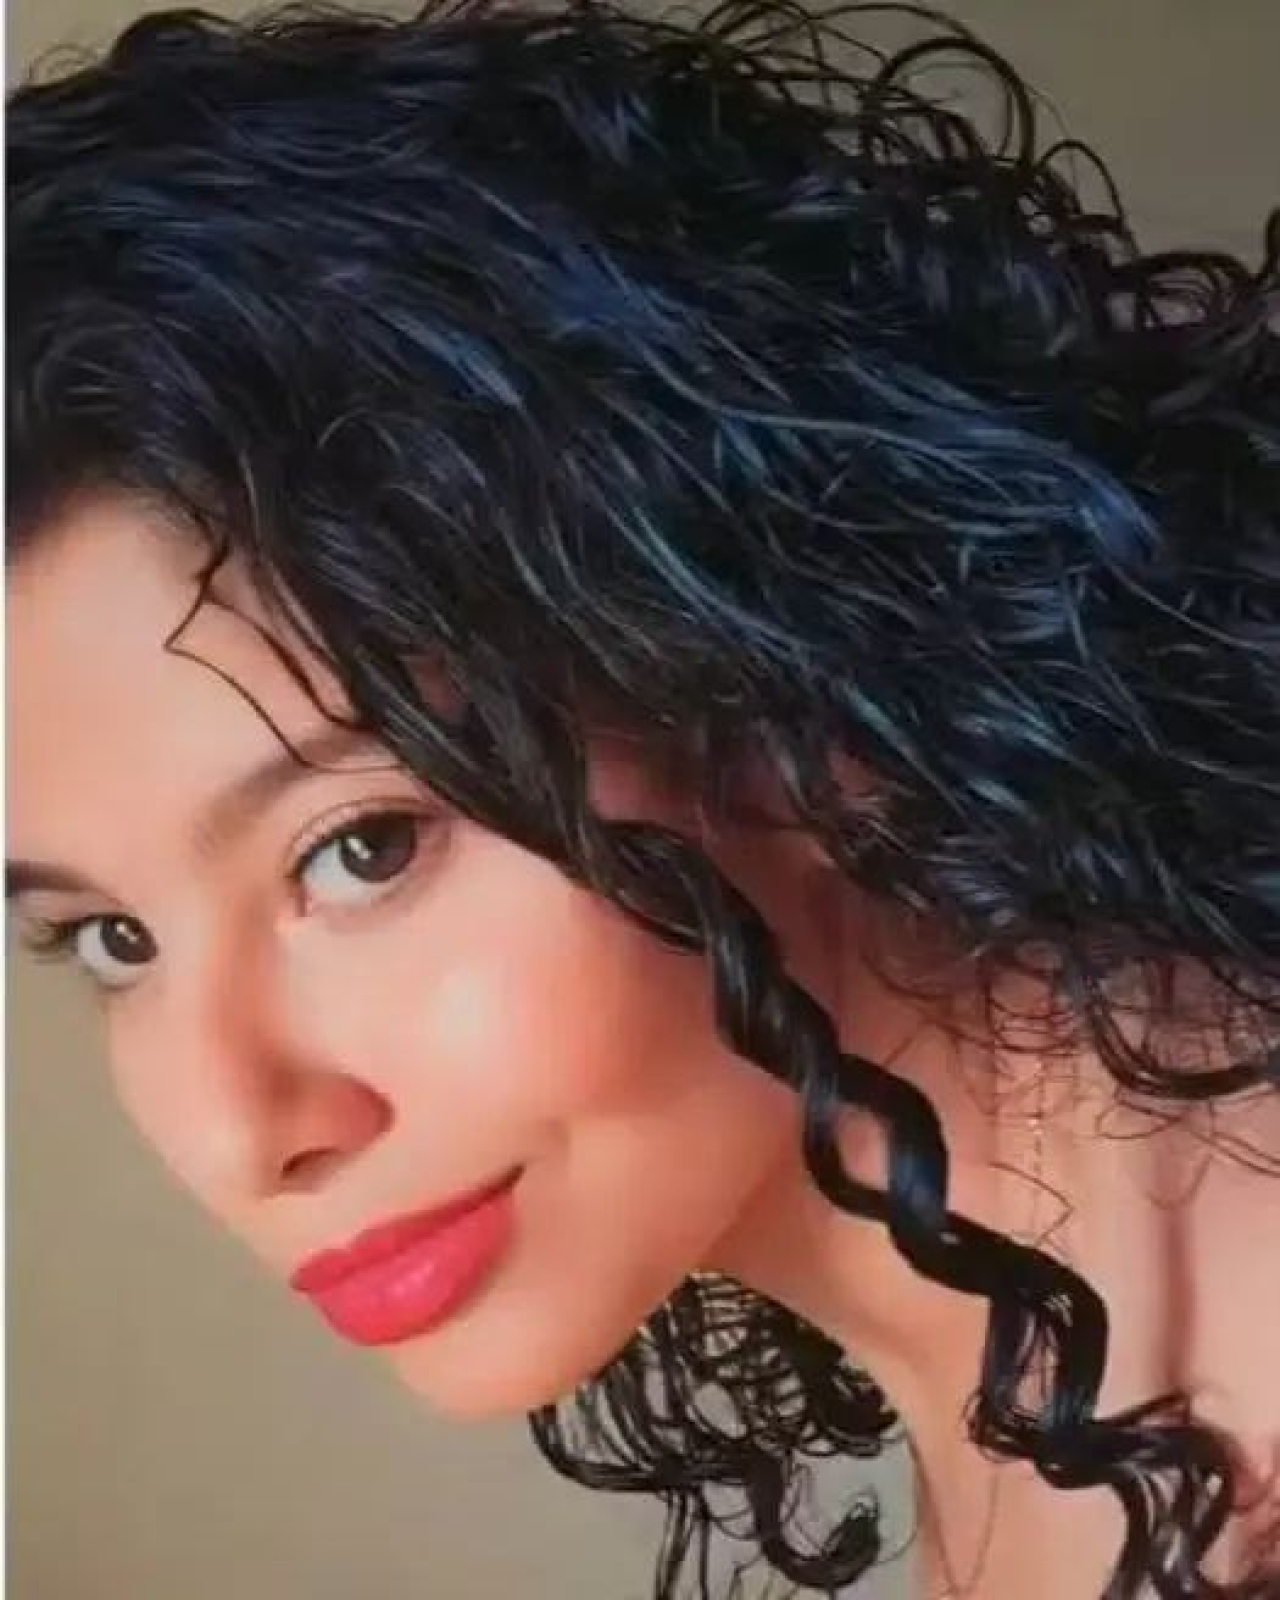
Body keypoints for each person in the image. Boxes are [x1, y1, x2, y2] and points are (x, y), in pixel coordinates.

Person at [6, 1, 1279, 1595]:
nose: (231, 1129)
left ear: (777, 658)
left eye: (360, 849)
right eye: (111, 938)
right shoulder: (1034, 1417)